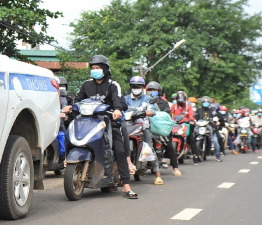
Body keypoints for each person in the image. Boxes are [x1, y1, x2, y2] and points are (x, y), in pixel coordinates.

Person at [68, 55, 137, 199]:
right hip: (88, 121)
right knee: (71, 134)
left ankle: (126, 186)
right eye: (93, 68)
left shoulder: (113, 85)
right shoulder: (86, 84)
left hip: (109, 122)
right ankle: (66, 161)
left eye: (98, 68)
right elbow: (78, 100)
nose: (95, 70)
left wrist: (117, 110)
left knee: (119, 150)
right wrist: (70, 107)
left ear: (105, 69)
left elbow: (118, 101)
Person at [144, 81, 182, 179]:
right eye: (150, 90)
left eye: (154, 90)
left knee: (168, 144)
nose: (152, 91)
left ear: (159, 91)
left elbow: (167, 113)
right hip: (146, 126)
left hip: (160, 127)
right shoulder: (144, 100)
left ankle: (175, 168)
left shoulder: (163, 102)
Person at [171, 91, 201, 164]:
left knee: (191, 139)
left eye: (182, 98)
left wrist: (191, 120)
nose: (180, 100)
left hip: (185, 125)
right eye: (179, 98)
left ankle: (195, 156)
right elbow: (170, 114)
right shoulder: (173, 106)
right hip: (175, 125)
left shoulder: (188, 107)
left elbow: (191, 115)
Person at [195, 96, 222, 161]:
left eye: (207, 102)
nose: (205, 103)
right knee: (194, 137)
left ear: (209, 103)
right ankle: (195, 155)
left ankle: (218, 156)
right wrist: (193, 120)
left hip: (211, 127)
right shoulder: (199, 109)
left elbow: (215, 116)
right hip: (200, 126)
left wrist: (215, 120)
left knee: (215, 141)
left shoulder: (212, 109)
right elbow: (195, 116)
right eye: (204, 102)